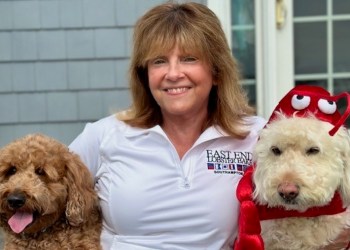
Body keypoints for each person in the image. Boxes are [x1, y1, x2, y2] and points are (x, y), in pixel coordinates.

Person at [69, 1, 350, 249]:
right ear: (144, 74)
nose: (173, 73)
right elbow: (43, 196)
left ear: (216, 71)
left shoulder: (261, 137)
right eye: (159, 61)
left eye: (189, 59)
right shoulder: (104, 136)